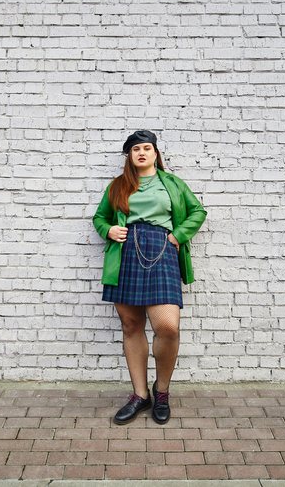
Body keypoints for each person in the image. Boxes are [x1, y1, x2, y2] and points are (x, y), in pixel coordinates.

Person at [93, 130, 207, 425]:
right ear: (129, 156)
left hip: (162, 252)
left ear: (156, 153)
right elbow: (100, 217)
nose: (141, 153)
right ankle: (140, 395)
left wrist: (178, 236)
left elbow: (197, 211)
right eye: (135, 149)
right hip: (126, 254)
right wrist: (108, 230)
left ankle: (162, 390)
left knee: (167, 327)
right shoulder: (118, 186)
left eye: (147, 148)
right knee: (131, 325)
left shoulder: (172, 184)